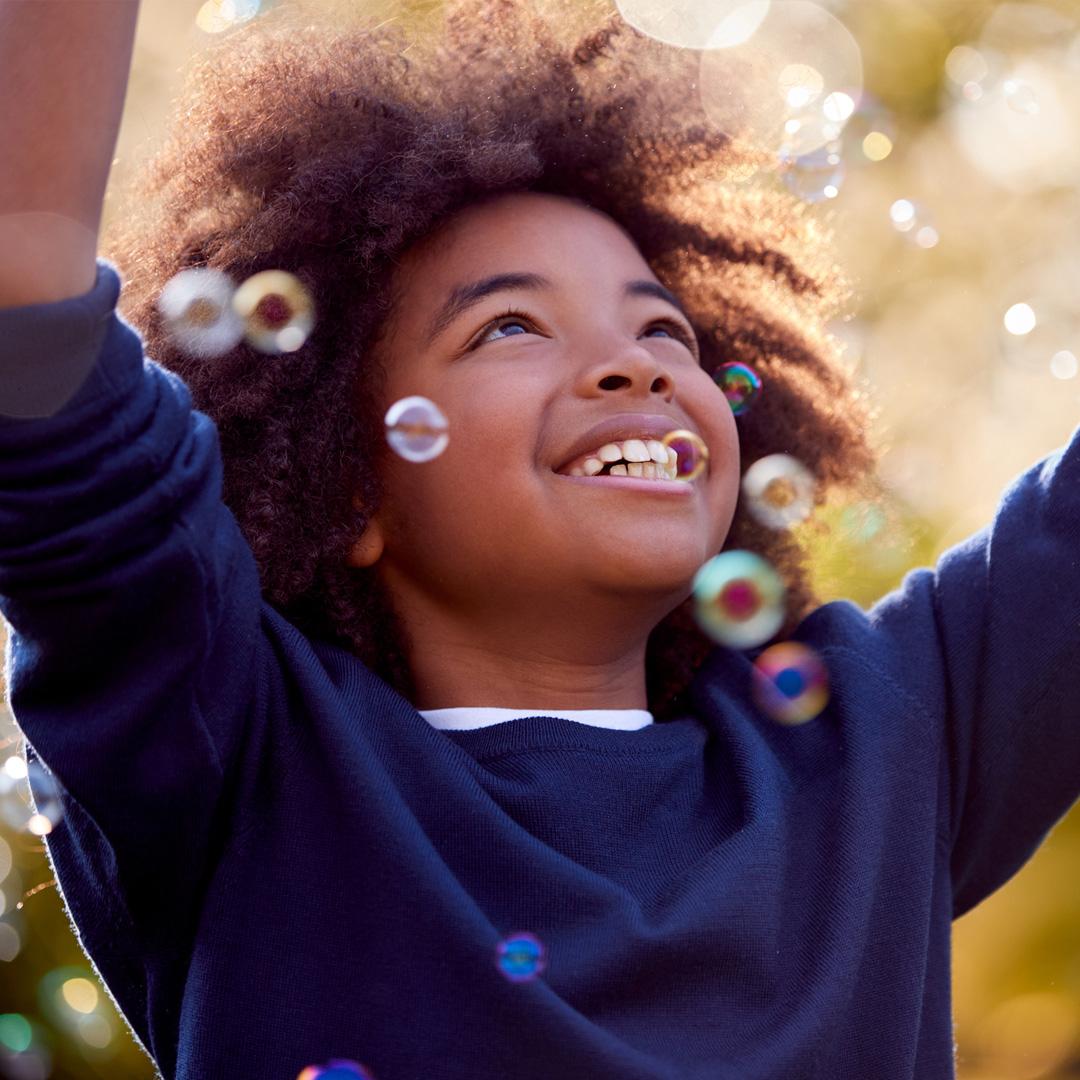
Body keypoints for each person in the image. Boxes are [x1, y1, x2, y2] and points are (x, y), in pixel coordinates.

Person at [1, 1, 1077, 1078]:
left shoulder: (878, 746)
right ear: (348, 484)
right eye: (509, 325)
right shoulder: (242, 750)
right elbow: (28, 300)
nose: (637, 365)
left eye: (664, 329)